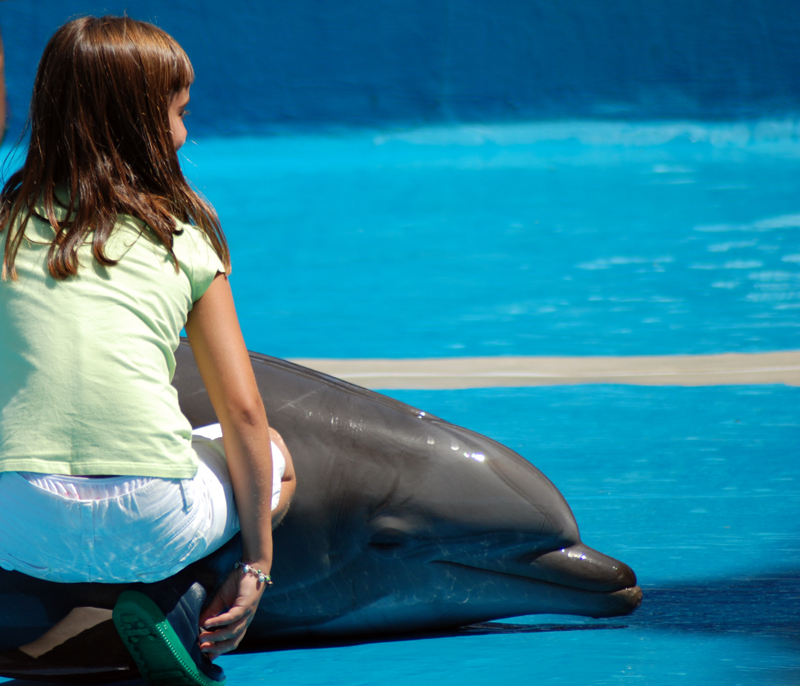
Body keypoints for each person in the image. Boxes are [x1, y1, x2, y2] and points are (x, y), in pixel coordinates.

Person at [0, 16, 295, 686]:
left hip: (16, 527)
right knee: (276, 456)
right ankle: (190, 598)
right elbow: (244, 413)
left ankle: (72, 618)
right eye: (180, 113)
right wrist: (258, 565)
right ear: (141, 123)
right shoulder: (183, 237)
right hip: (155, 523)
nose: (186, 131)